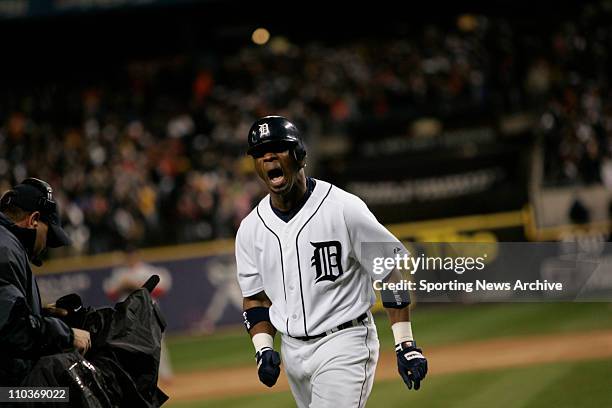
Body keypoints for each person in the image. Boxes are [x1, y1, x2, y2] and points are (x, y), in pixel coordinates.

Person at [235, 116, 428, 407]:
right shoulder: (250, 229)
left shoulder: (344, 208)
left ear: (300, 155)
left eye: (279, 148)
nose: (269, 156)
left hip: (345, 342)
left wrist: (405, 343)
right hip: (292, 351)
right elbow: (256, 300)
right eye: (260, 153)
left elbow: (388, 274)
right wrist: (262, 348)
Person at [0, 177, 91, 386]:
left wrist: (42, 314)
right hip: (6, 394)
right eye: (48, 235)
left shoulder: (7, 243)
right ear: (33, 220)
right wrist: (67, 335)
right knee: (69, 396)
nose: (46, 245)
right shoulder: (5, 249)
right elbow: (13, 329)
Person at [103, 246, 174, 383]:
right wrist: (123, 286)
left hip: (148, 311)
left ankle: (165, 376)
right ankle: (132, 378)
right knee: (126, 346)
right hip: (127, 314)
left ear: (138, 255)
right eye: (128, 256)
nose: (131, 258)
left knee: (157, 343)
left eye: (133, 255)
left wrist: (136, 285)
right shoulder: (120, 274)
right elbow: (111, 293)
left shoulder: (148, 271)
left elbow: (161, 290)